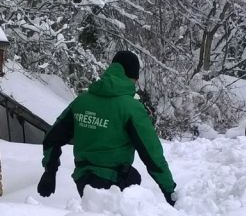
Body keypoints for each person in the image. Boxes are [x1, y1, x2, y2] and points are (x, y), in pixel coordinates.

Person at [37, 50, 178, 205]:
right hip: (116, 184)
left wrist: (50, 171)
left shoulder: (82, 101)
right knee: (132, 186)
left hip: (83, 180)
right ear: (132, 76)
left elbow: (52, 138)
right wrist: (169, 189)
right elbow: (152, 154)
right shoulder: (131, 108)